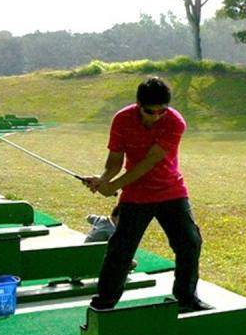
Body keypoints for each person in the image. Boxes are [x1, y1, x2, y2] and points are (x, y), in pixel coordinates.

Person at [82, 76, 208, 313]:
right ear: (139, 104)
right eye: (151, 111)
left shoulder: (175, 122)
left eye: (162, 111)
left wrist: (114, 185)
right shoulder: (122, 119)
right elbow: (115, 160)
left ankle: (186, 299)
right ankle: (104, 304)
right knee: (121, 249)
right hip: (136, 195)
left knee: (190, 243)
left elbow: (150, 160)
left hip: (171, 191)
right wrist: (104, 180)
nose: (157, 116)